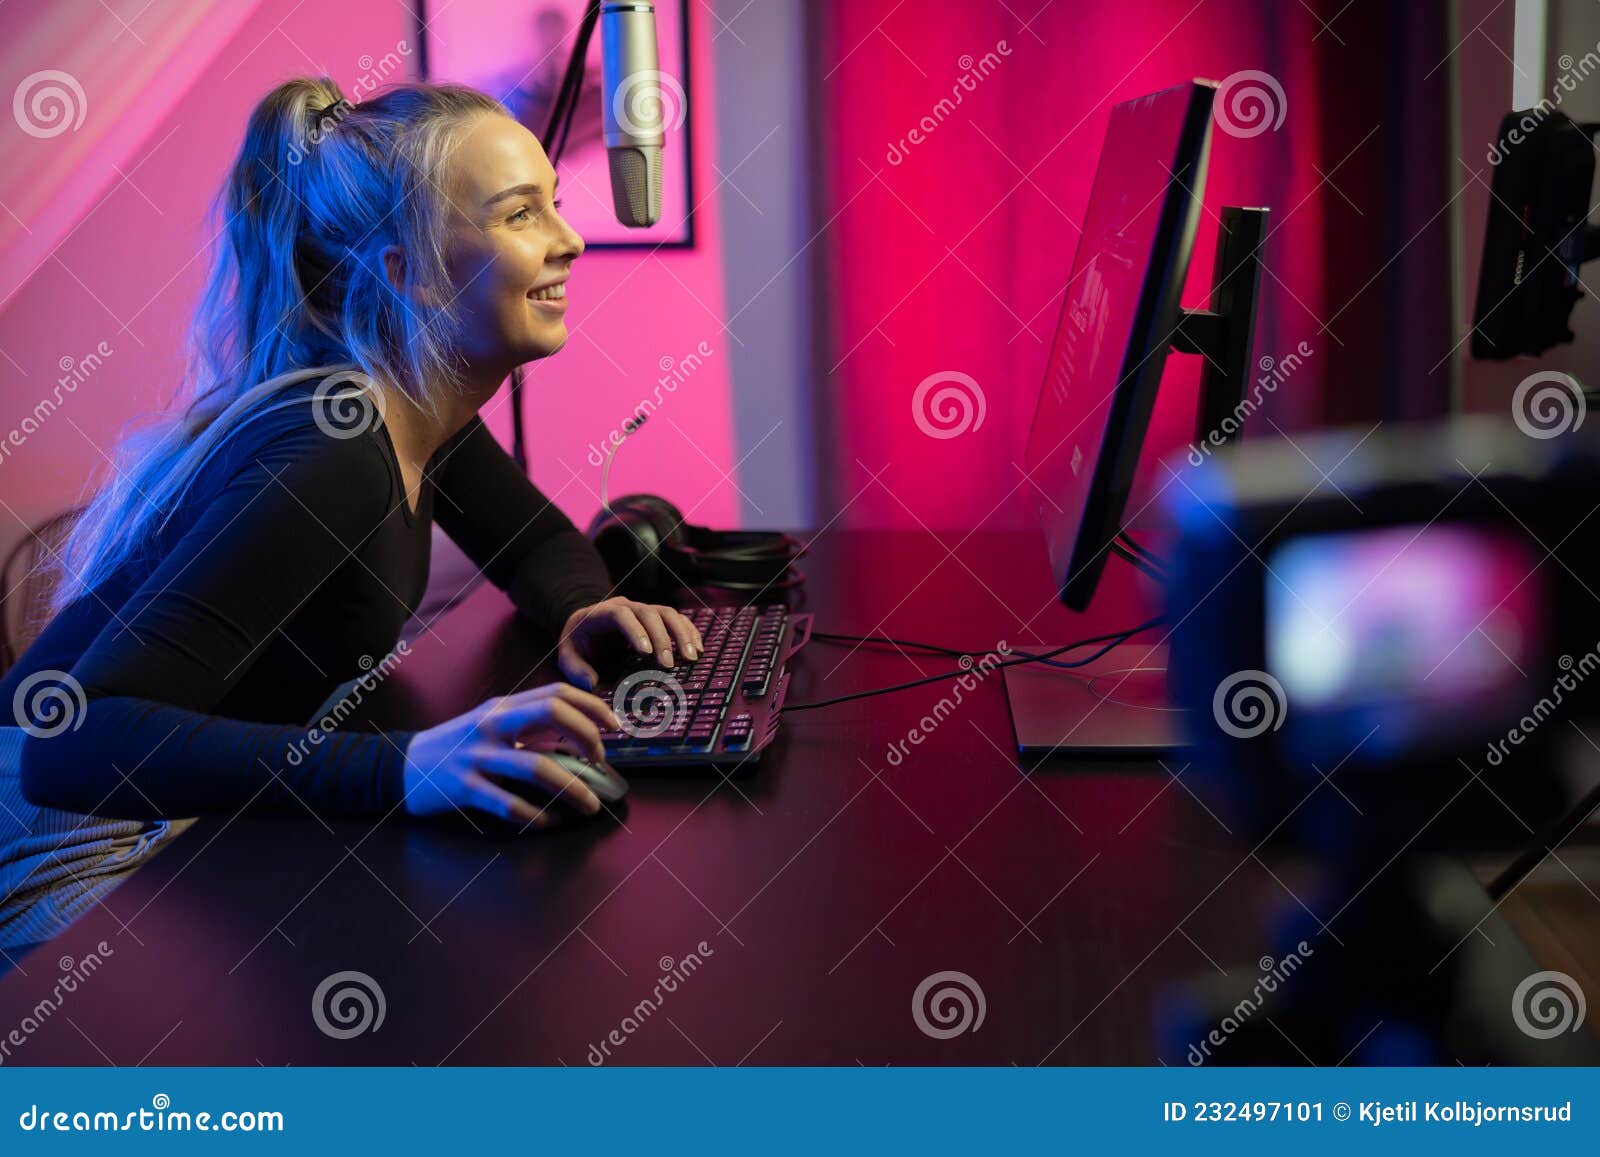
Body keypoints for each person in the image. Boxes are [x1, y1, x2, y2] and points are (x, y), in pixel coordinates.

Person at [0, 77, 705, 946]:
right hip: (49, 830)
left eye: (553, 206)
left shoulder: (416, 405)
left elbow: (538, 543)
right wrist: (405, 767)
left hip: (132, 802)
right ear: (404, 272)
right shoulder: (339, 447)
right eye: (521, 215)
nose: (567, 242)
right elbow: (74, 746)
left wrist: (580, 606)